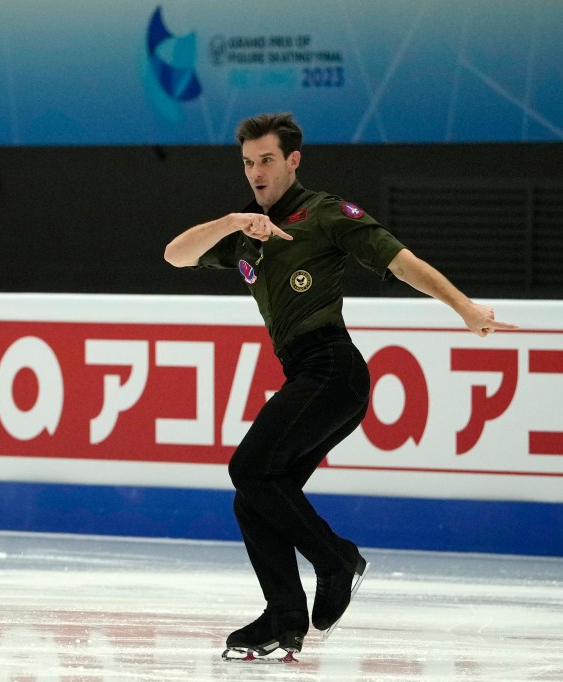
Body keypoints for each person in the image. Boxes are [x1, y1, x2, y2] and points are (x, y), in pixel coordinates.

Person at [163, 112, 516, 659]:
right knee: (253, 498)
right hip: (308, 374)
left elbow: (402, 262)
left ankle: (337, 559)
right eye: (248, 163)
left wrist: (464, 308)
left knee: (249, 469)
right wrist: (234, 221)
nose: (256, 172)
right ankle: (283, 616)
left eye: (267, 161)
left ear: (292, 161)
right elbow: (175, 254)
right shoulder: (245, 234)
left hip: (333, 369)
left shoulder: (325, 213)